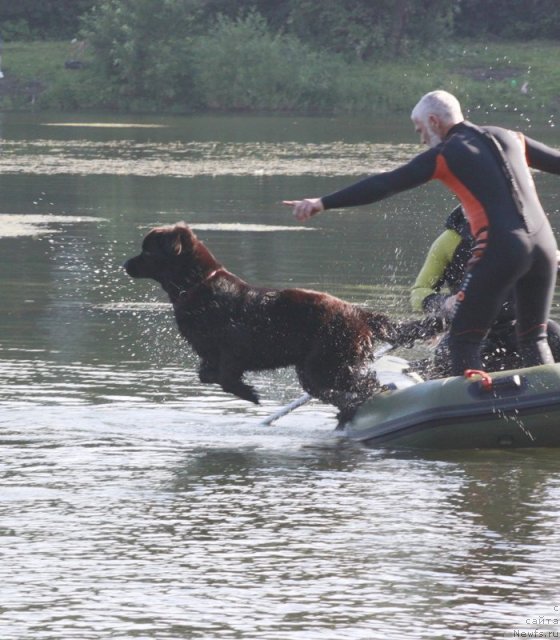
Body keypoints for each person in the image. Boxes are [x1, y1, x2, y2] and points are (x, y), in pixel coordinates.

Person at [284, 90, 560, 376]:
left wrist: (323, 202)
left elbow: (385, 184)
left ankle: (477, 413)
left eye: (420, 130)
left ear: (433, 121)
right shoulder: (510, 137)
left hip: (502, 247)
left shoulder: (445, 154)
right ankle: (548, 405)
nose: (422, 139)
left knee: (463, 342)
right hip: (545, 247)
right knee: (533, 338)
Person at [411, 205, 560, 376]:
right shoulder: (449, 240)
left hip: (522, 328)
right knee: (446, 355)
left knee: (554, 334)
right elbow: (419, 291)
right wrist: (445, 303)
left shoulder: (527, 235)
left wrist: (552, 263)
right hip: (470, 332)